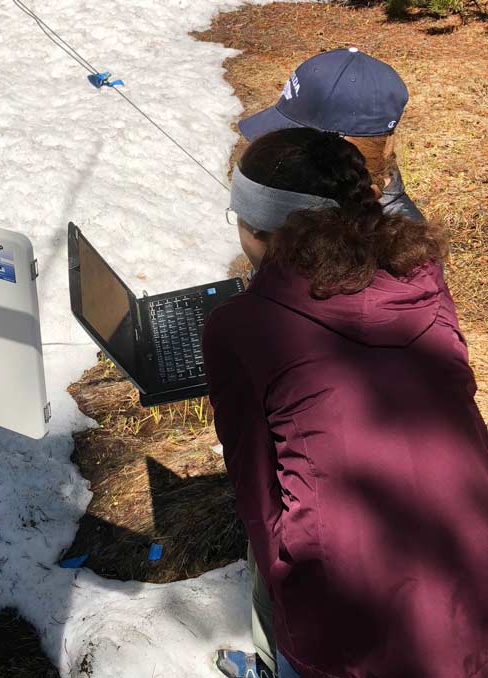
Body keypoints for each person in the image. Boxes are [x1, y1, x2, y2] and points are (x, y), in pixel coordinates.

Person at [205, 127, 488, 678]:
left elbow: (258, 493)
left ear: (259, 230)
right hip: (474, 556)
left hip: (349, 607)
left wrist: (291, 599)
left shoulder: (242, 326)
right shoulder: (420, 274)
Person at [218, 48, 427, 678]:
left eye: (291, 131)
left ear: (331, 148)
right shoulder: (378, 223)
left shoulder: (386, 246)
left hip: (329, 540)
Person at [239, 48, 423, 222]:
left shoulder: (403, 247)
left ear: (347, 148)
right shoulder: (324, 202)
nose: (280, 152)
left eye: (294, 140)